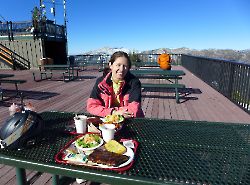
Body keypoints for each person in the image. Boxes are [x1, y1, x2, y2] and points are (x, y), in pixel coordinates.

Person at [87, 51, 144, 118]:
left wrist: (109, 112)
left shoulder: (134, 82)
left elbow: (134, 110)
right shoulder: (101, 83)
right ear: (111, 65)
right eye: (118, 65)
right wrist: (113, 112)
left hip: (131, 121)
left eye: (125, 66)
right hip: (108, 121)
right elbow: (92, 106)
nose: (121, 69)